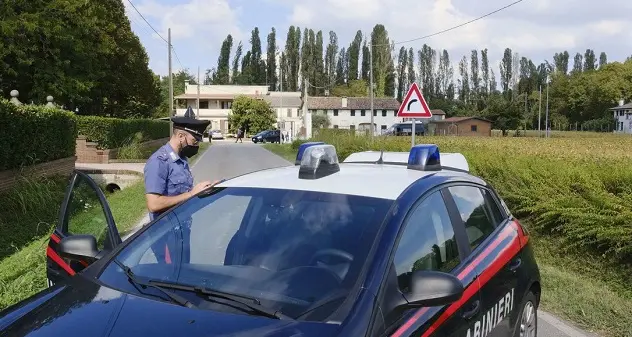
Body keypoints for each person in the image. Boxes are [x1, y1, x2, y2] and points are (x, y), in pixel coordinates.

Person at [143, 116, 219, 264]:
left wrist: (207, 190)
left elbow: (183, 194)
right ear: (180, 136)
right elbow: (153, 204)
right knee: (171, 278)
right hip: (166, 233)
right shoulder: (159, 162)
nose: (196, 145)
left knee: (183, 271)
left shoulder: (181, 159)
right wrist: (191, 194)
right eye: (194, 141)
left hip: (182, 229)